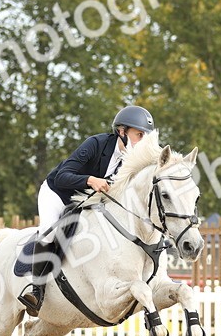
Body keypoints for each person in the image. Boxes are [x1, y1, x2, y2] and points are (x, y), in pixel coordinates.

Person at [17, 105, 156, 316]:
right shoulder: (96, 144)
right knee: (49, 231)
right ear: (122, 131)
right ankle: (36, 291)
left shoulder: (132, 162)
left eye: (145, 136)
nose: (142, 140)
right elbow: (64, 175)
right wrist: (90, 180)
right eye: (139, 135)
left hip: (87, 201)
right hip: (59, 193)